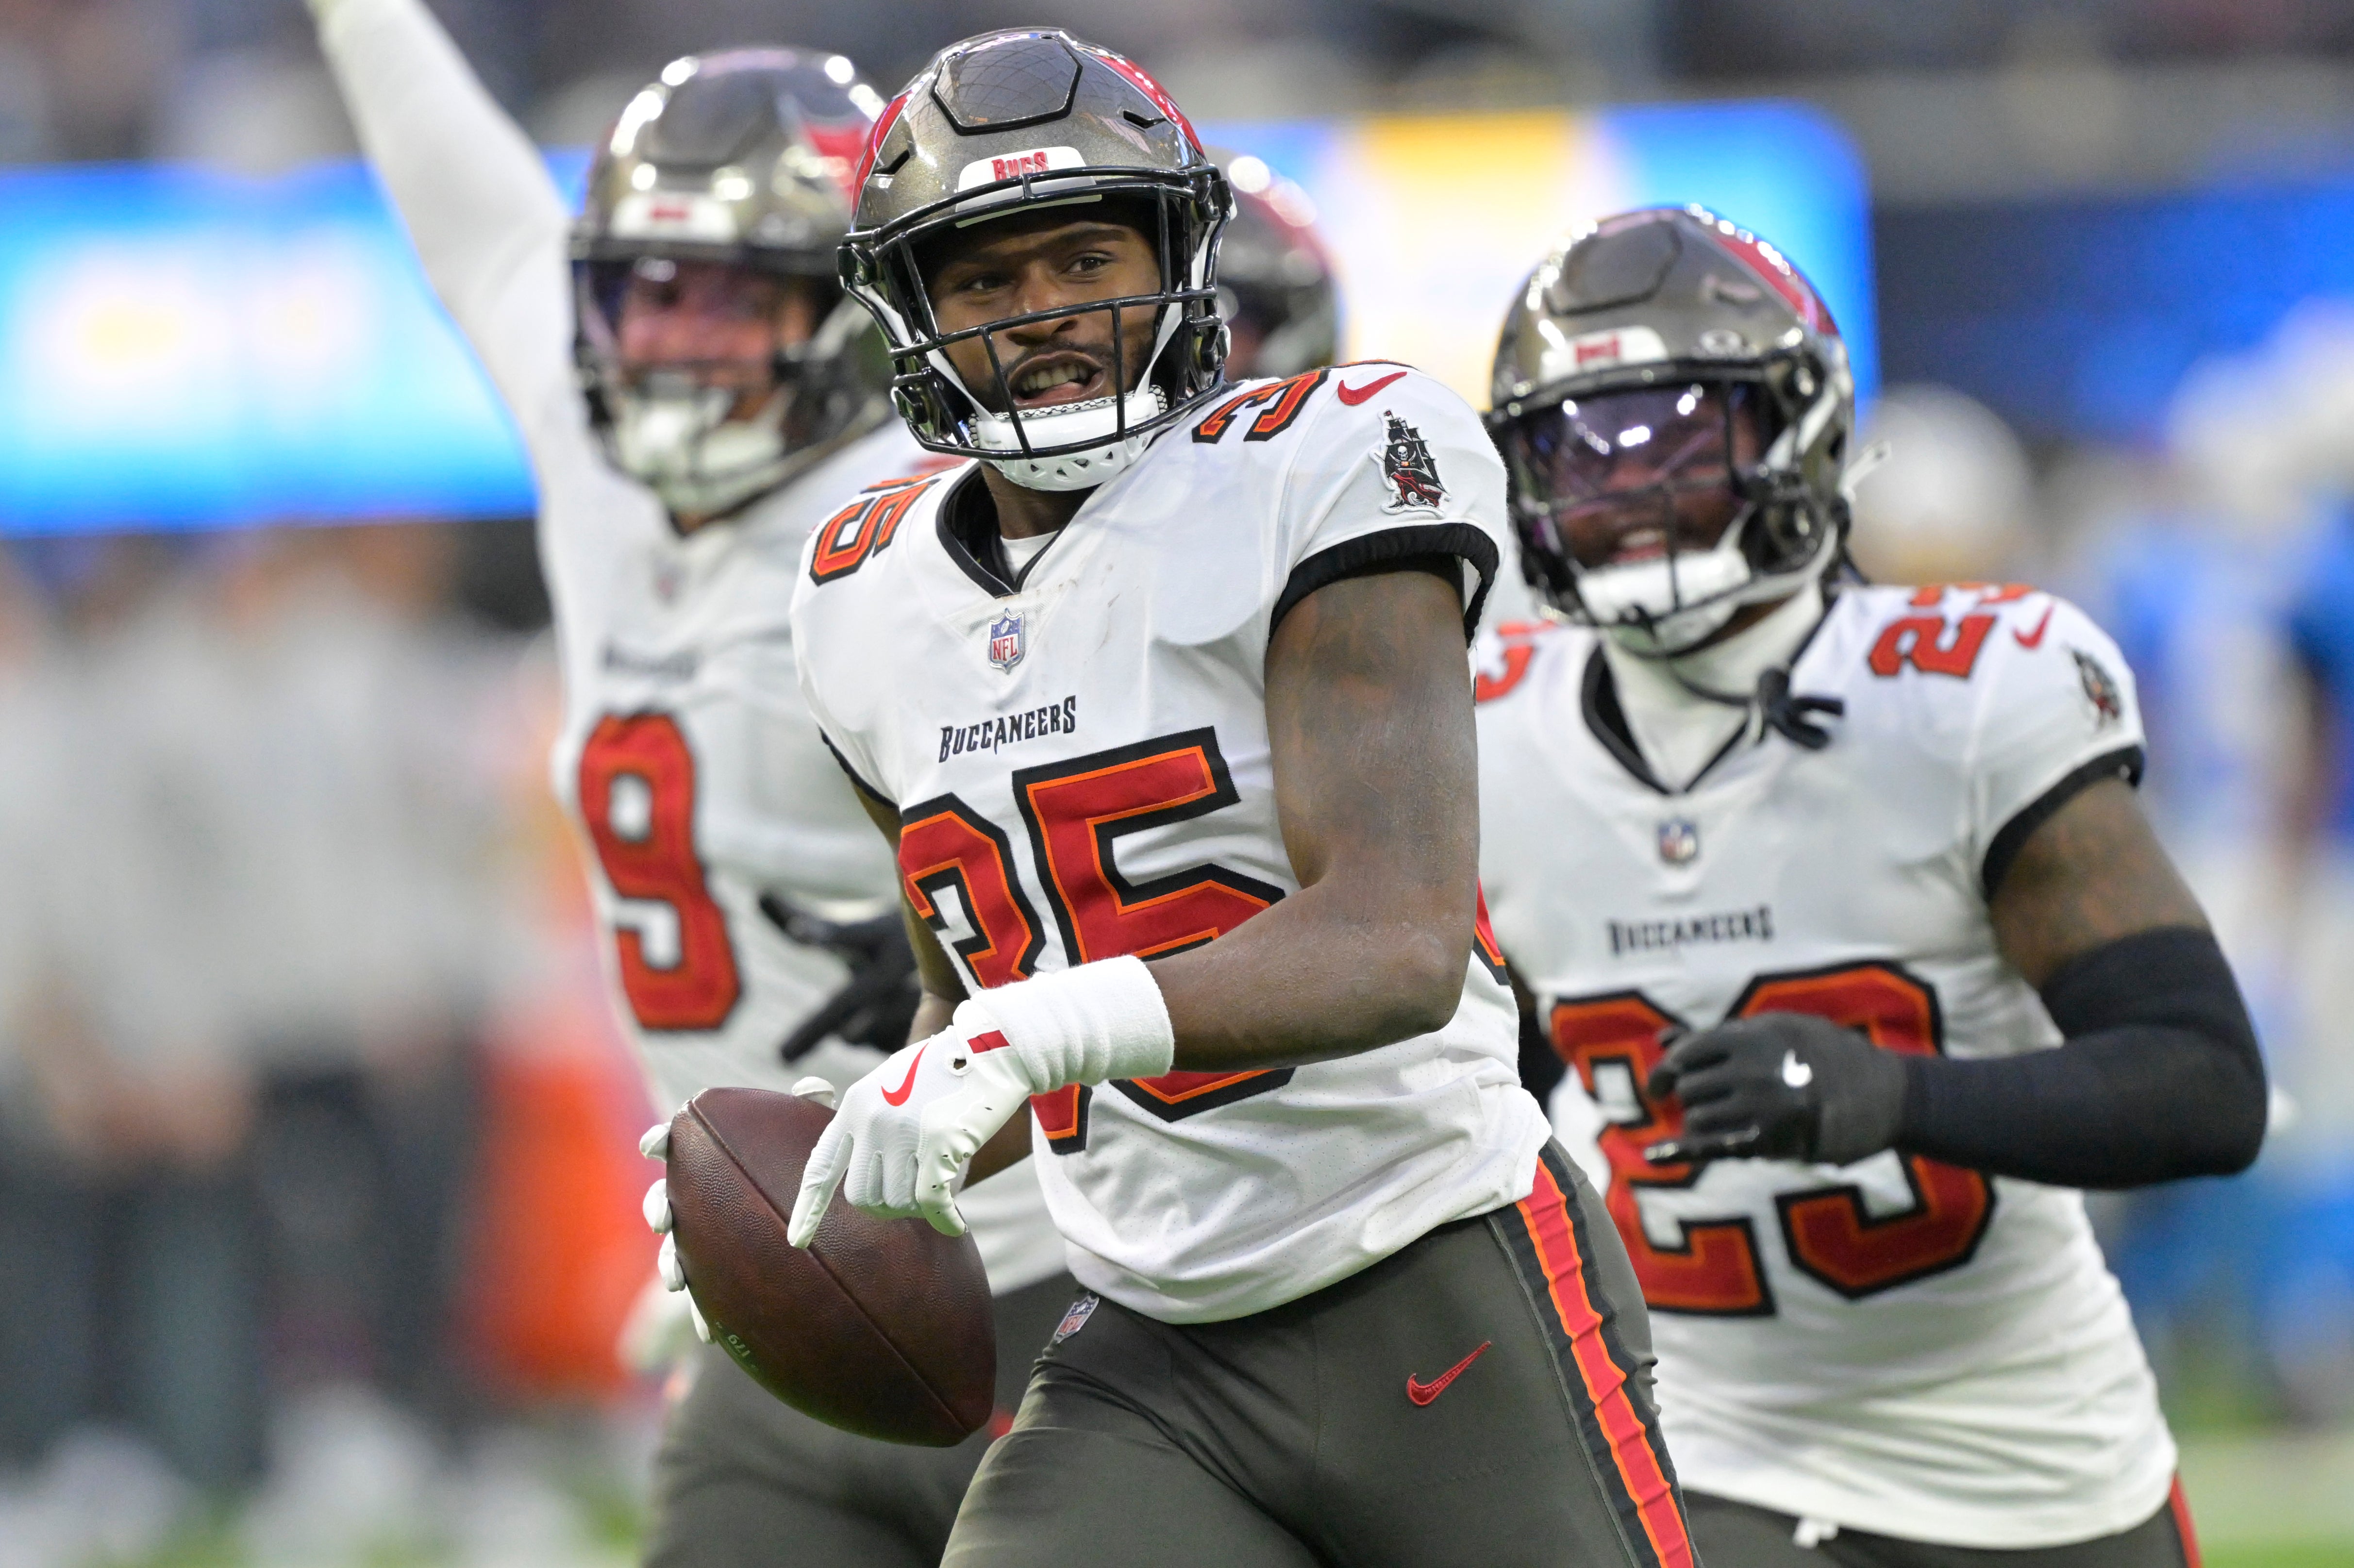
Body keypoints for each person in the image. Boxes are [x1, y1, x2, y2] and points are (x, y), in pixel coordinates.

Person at [772, 28, 1691, 1568]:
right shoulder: (857, 596)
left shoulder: (1320, 462)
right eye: (984, 282)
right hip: (1154, 1337)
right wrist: (842, 1147)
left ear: (1178, 259)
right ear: (911, 313)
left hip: (1434, 1265)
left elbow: (1394, 946)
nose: (1043, 316)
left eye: (1081, 259)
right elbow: (978, 1017)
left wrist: (1028, 1031)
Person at [302, 4, 1075, 1563]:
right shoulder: (598, 462)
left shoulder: (949, 523)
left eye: (731, 296)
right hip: (775, 1277)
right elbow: (463, 205)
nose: (671, 338)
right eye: (646, 291)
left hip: (1048, 1263)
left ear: (856, 312)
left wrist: (983, 927)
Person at [1473, 206, 2267, 1567]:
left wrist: (1888, 1097)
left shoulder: (1967, 695)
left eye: (1681, 435)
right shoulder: (1479, 732)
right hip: (1692, 1450)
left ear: (1798, 432)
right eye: (1581, 450)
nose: (1631, 488)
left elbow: (2201, 1086)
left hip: (2024, 1464)